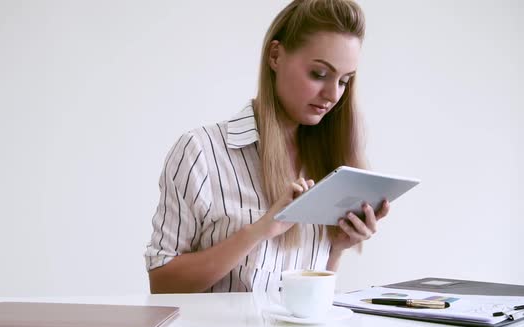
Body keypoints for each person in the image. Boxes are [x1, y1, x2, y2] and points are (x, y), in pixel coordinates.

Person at [144, 0, 389, 294]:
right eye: (319, 74)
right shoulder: (201, 152)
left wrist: (337, 248)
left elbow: (303, 307)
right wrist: (261, 229)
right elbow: (162, 284)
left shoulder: (330, 163)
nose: (332, 94)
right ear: (275, 55)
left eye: (344, 81)